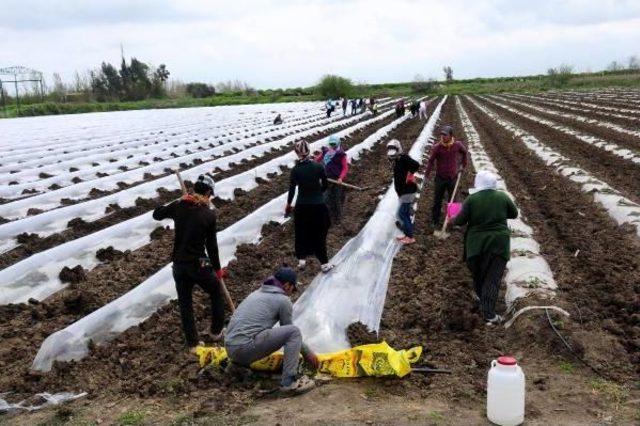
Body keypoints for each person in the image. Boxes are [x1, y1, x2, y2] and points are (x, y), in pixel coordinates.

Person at [152, 174, 226, 352]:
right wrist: (217, 269)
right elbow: (211, 246)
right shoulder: (208, 214)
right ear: (208, 192)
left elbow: (157, 214)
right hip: (199, 261)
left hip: (179, 263)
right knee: (216, 291)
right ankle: (216, 332)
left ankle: (193, 343)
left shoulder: (179, 206)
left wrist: (178, 201)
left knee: (185, 302)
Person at [225, 266, 319, 395]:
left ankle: (236, 368)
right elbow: (289, 330)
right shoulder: (283, 300)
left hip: (230, 348)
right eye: (292, 288)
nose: (291, 292)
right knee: (294, 332)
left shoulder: (256, 293)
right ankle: (289, 383)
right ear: (286, 285)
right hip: (244, 349)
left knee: (257, 332)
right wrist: (308, 354)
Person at [453, 171, 518, 325]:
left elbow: (459, 221)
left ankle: (481, 300)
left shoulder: (472, 199)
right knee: (492, 279)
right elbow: (514, 214)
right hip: (498, 244)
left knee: (479, 275)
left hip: (476, 245)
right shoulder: (502, 196)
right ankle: (489, 313)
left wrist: (453, 217)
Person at [286, 140, 333, 272]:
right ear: (309, 150)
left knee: (301, 232)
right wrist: (318, 193)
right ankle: (324, 263)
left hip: (302, 206)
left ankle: (301, 260)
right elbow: (325, 185)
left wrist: (289, 204)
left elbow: (292, 190)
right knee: (320, 232)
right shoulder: (318, 167)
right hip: (318, 206)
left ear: (296, 153)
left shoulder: (295, 170)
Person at [425, 125, 468, 228]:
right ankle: (435, 221)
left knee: (453, 201)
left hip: (452, 177)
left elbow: (465, 153)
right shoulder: (437, 147)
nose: (443, 137)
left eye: (445, 135)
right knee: (437, 200)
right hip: (440, 178)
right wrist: (426, 175)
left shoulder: (457, 145)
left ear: (451, 135)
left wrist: (463, 165)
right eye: (442, 135)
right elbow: (431, 161)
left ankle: (453, 222)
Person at [386, 139, 420, 244]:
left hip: (408, 191)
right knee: (402, 213)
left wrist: (410, 174)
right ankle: (406, 234)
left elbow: (416, 165)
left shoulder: (404, 158)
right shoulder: (397, 159)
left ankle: (410, 237)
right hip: (403, 191)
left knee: (402, 213)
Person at [321, 135, 349, 225]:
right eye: (331, 144)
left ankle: (338, 219)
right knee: (325, 198)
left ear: (338, 144)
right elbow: (316, 160)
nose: (333, 146)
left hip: (337, 180)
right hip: (327, 179)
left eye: (334, 145)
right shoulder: (326, 152)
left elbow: (345, 168)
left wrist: (341, 178)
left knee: (337, 199)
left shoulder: (341, 155)